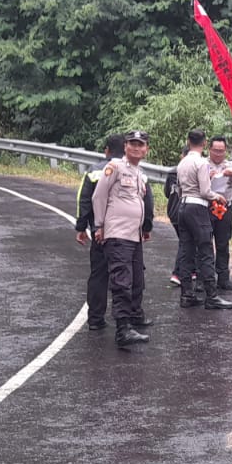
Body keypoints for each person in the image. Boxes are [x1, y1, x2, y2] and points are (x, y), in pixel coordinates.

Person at [92, 129, 156, 348]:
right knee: (121, 282)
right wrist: (99, 225)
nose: (136, 148)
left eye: (141, 144)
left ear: (146, 149)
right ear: (125, 147)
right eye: (132, 144)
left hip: (133, 236)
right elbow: (98, 196)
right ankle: (122, 330)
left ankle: (129, 322)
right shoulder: (115, 168)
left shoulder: (138, 172)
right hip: (118, 234)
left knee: (136, 280)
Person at [173, 127, 232, 310]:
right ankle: (212, 296)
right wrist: (217, 196)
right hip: (197, 207)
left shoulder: (182, 163)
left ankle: (187, 294)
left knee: (186, 250)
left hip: (182, 206)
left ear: (187, 141)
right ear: (205, 144)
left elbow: (179, 188)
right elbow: (205, 191)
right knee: (206, 249)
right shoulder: (201, 163)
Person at [74, 134, 124, 331]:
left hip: (99, 232)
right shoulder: (133, 169)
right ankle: (128, 318)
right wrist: (145, 227)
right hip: (126, 233)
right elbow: (145, 202)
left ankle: (95, 318)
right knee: (127, 274)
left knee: (99, 275)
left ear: (106, 151)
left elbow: (84, 200)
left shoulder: (94, 171)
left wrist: (81, 227)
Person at [206, 136, 232, 290]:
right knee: (205, 243)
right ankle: (205, 278)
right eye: (215, 151)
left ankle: (223, 278)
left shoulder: (230, 164)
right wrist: (207, 177)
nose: (218, 154)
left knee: (223, 243)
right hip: (207, 206)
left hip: (224, 206)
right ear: (210, 150)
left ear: (225, 151)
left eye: (221, 151)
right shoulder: (203, 164)